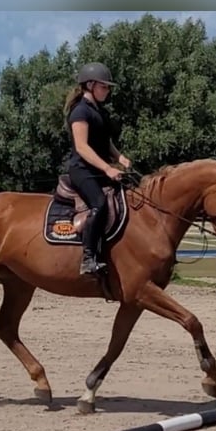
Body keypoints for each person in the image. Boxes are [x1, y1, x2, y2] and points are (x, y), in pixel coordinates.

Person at [63, 61, 131, 276]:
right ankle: (88, 257)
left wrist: (119, 157)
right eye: (104, 86)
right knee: (99, 205)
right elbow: (82, 147)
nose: (107, 90)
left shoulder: (99, 112)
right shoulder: (80, 112)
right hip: (82, 170)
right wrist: (108, 168)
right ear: (90, 85)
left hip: (99, 169)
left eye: (108, 87)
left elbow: (105, 142)